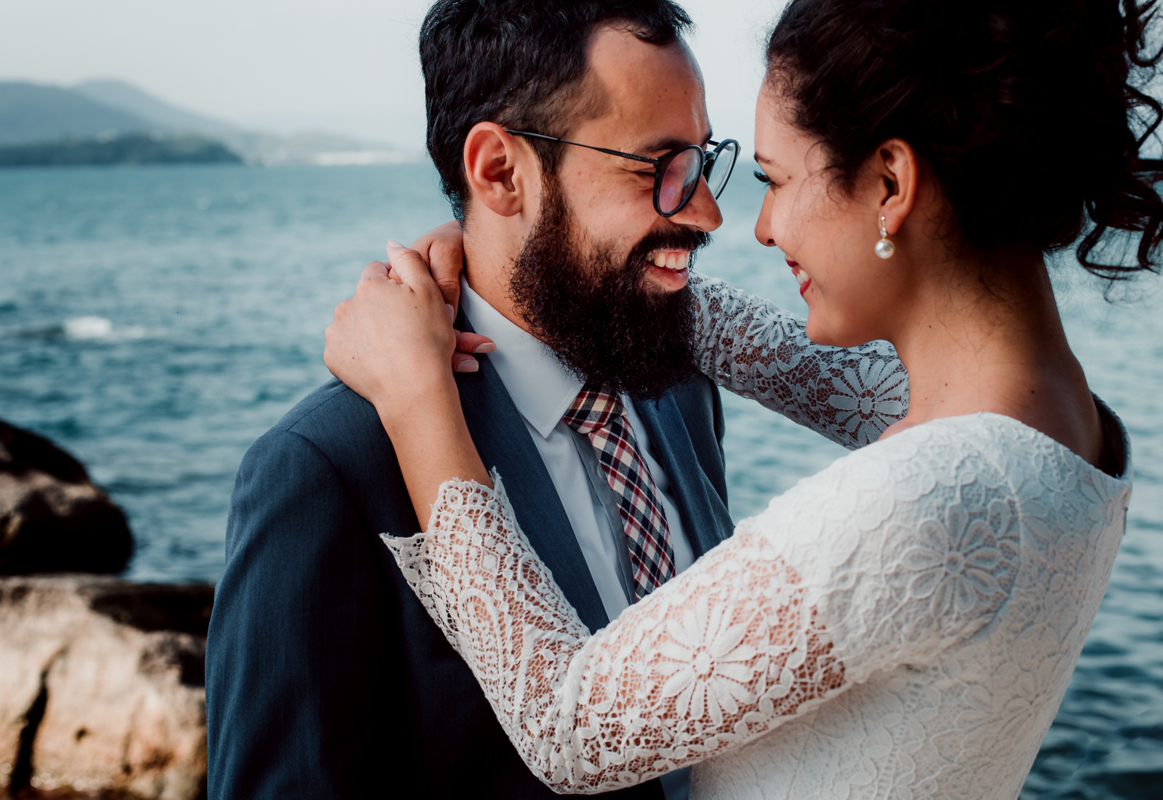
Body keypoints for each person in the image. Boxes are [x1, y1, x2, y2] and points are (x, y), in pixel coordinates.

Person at [322, 0, 1162, 797]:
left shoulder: (920, 498)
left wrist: (415, 391)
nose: (747, 223)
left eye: (772, 178)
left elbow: (566, 727)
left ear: (890, 183)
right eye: (671, 169)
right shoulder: (1065, 421)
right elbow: (779, 358)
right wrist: (502, 243)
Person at [206, 1, 905, 797]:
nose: (708, 211)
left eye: (702, 161)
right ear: (500, 172)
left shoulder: (673, 378)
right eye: (658, 169)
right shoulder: (325, 469)